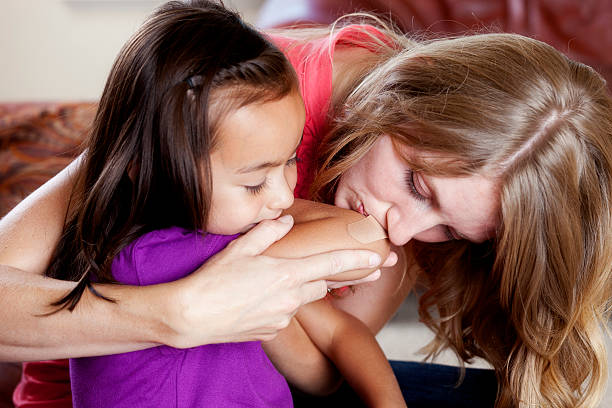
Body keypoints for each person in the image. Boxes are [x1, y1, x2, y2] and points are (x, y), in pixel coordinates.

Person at [3, 7, 612, 408]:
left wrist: (274, 292)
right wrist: (176, 313)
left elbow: (322, 373)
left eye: (452, 229)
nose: (403, 229)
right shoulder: (233, 95)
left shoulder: (393, 219)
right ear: (409, 86)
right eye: (418, 186)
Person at [21, 1, 403, 407]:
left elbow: (340, 333)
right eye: (255, 182)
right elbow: (363, 247)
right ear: (157, 171)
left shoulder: (236, 239)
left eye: (291, 160)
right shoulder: (148, 261)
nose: (285, 196)